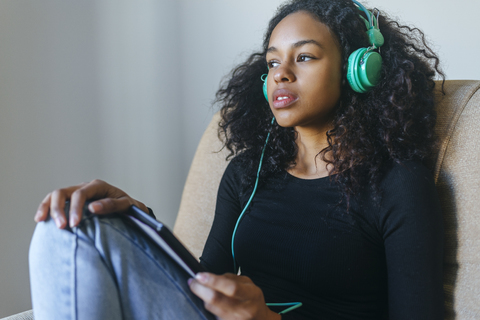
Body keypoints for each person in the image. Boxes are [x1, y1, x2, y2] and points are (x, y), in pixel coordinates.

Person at [29, 0, 445, 319]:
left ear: (359, 71)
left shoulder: (397, 184)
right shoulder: (247, 172)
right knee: (69, 227)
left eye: (304, 56)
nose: (281, 73)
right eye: (272, 62)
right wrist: (138, 227)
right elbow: (202, 284)